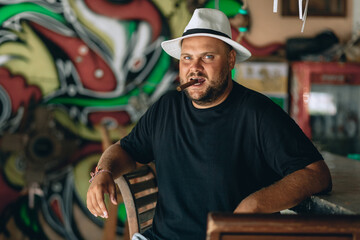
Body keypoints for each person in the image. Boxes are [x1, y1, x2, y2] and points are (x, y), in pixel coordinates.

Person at [87, 8, 332, 240]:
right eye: (187, 58)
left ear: (230, 60)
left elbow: (315, 174)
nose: (195, 68)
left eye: (207, 57)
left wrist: (254, 205)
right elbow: (126, 150)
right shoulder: (166, 108)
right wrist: (103, 172)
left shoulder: (257, 112)